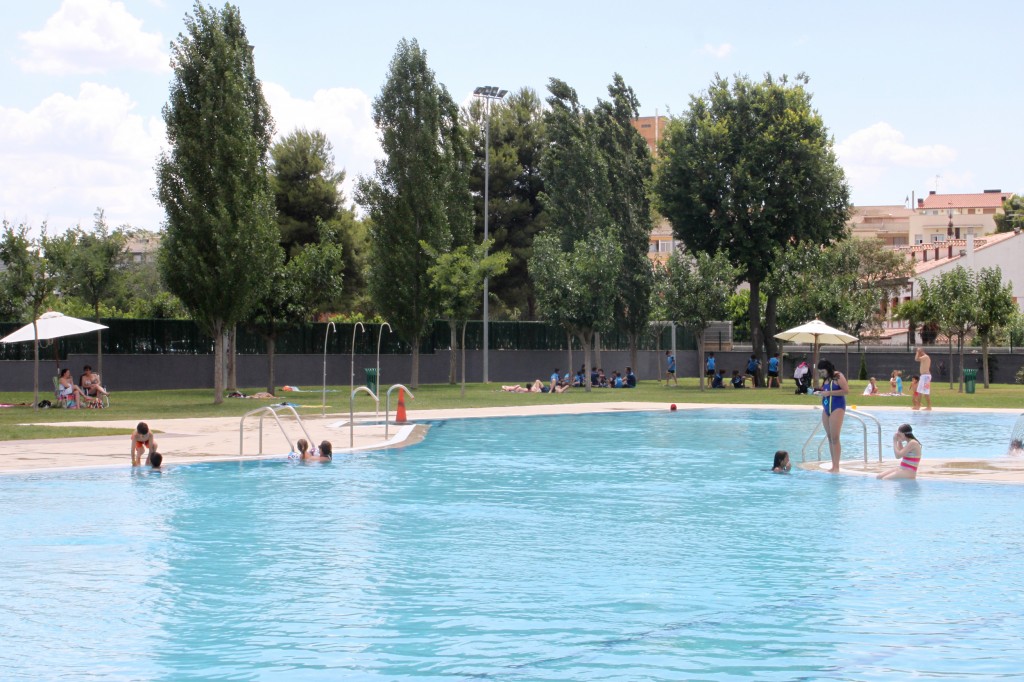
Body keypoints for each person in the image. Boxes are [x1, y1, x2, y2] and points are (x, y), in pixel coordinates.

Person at [815, 359, 848, 473]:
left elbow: (846, 391)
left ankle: (837, 467)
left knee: (835, 437)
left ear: (828, 369)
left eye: (823, 372)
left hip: (837, 407)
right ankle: (833, 465)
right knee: (829, 437)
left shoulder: (838, 376)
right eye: (820, 372)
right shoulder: (826, 379)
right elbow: (826, 391)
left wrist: (829, 393)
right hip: (826, 408)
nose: (821, 374)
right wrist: (820, 392)